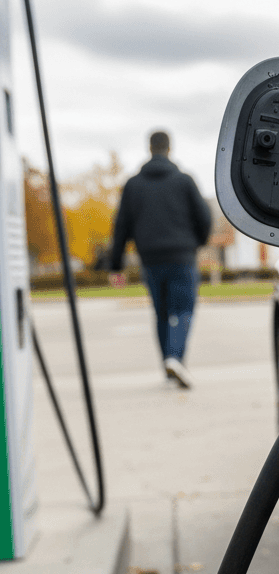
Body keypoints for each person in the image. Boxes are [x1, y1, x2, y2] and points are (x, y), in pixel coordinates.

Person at [109, 131, 211, 388]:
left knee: (162, 312)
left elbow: (121, 226)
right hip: (182, 256)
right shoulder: (184, 181)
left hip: (151, 258)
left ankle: (168, 365)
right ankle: (175, 358)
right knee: (184, 309)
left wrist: (115, 265)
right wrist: (197, 242)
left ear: (149, 148)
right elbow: (205, 218)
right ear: (169, 148)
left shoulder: (133, 185)